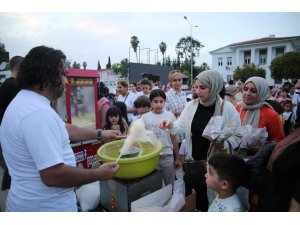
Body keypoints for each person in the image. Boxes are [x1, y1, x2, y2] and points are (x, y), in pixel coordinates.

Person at [0, 46, 120, 212]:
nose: (66, 80)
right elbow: (53, 175)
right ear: (46, 76)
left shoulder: (26, 102)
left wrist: (100, 133)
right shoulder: (37, 113)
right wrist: (100, 174)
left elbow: (63, 128)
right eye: (63, 74)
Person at [159, 70, 242, 211]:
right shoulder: (191, 106)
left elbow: (237, 136)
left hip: (216, 166)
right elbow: (181, 125)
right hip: (195, 163)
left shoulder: (227, 108)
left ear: (215, 87)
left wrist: (223, 143)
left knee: (214, 201)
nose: (198, 91)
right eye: (196, 87)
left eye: (202, 87)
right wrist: (171, 125)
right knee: (200, 198)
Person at [236, 76, 285, 157]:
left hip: (259, 162)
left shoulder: (271, 114)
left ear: (261, 93)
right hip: (236, 159)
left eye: (253, 91)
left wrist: (260, 148)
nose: (247, 93)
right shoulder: (238, 108)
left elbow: (279, 143)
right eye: (245, 89)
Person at [141, 89, 182, 186]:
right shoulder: (144, 118)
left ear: (165, 102)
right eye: (155, 102)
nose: (159, 105)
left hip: (167, 155)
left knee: (170, 184)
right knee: (154, 185)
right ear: (150, 102)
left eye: (161, 101)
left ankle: (171, 199)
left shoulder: (170, 116)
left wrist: (177, 157)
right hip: (151, 157)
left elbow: (174, 138)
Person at [0, 56, 23, 211]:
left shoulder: (5, 85)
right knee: (14, 170)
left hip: (4, 133)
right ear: (20, 68)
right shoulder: (15, 87)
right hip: (12, 136)